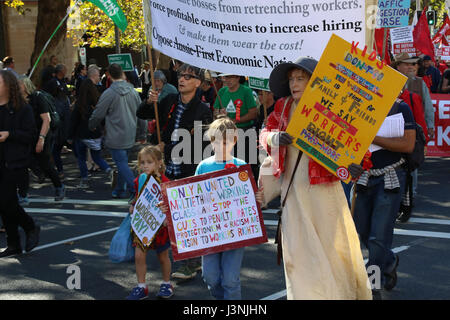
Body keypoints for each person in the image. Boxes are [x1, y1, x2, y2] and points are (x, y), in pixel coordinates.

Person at [259, 57, 372, 300]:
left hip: (324, 192)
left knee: (333, 253)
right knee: (298, 255)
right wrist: (273, 138)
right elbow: (264, 133)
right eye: (291, 79)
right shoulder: (283, 106)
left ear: (315, 82)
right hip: (293, 190)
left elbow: (359, 150)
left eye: (300, 78)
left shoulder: (333, 109)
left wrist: (356, 165)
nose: (294, 84)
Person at [159, 117, 264, 300]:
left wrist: (259, 198)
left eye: (226, 142)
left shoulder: (241, 167)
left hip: (235, 233)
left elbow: (252, 200)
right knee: (210, 277)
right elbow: (189, 197)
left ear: (234, 141)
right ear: (210, 140)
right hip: (209, 233)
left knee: (231, 280)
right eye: (216, 141)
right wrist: (170, 205)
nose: (221, 146)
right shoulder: (203, 166)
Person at [137, 63, 213, 280]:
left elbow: (199, 145)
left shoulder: (203, 110)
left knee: (188, 217)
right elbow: (142, 113)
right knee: (174, 218)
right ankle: (187, 259)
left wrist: (168, 148)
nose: (183, 79)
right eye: (181, 75)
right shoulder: (170, 101)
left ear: (198, 83)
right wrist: (149, 101)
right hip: (168, 169)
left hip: (188, 169)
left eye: (189, 77)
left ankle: (192, 263)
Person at [352, 95, 416, 297]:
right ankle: (388, 261)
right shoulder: (354, 104)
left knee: (378, 236)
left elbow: (408, 145)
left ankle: (373, 285)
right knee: (361, 230)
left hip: (391, 175)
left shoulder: (400, 107)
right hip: (362, 176)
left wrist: (372, 137)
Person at [0, 70, 40, 258]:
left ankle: (29, 225)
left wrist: (10, 134)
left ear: (8, 85)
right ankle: (13, 243)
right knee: (4, 204)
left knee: (6, 201)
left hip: (13, 162)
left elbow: (30, 135)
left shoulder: (22, 108)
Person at [127, 145, 173, 300]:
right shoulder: (140, 180)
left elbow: (171, 205)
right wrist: (133, 205)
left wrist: (167, 216)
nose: (145, 165)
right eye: (142, 162)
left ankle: (167, 283)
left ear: (159, 163)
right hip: (143, 225)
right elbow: (137, 196)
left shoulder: (165, 183)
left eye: (149, 162)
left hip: (160, 227)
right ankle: (141, 286)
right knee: (139, 256)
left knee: (163, 257)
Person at [89, 63, 141, 200]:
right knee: (123, 162)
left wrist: (91, 125)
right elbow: (141, 114)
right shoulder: (133, 91)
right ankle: (120, 189)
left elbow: (98, 113)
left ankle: (135, 189)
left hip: (115, 134)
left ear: (109, 75)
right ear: (122, 73)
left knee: (121, 164)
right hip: (130, 132)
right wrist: (142, 132)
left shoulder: (109, 93)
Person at [18, 76, 65, 201]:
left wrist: (41, 139)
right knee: (23, 163)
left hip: (42, 134)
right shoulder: (18, 101)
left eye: (19, 84)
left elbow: (46, 120)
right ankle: (23, 194)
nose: (17, 87)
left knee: (46, 165)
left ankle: (59, 186)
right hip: (27, 136)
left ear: (26, 85)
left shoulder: (37, 98)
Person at [69, 65, 111, 188]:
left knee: (81, 158)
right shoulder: (97, 102)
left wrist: (70, 136)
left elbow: (73, 122)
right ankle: (109, 171)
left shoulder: (79, 105)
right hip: (95, 133)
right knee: (97, 157)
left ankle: (85, 179)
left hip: (81, 134)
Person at [42, 64, 72, 178]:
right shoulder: (52, 83)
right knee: (53, 147)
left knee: (56, 147)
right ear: (61, 71)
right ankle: (55, 170)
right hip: (56, 121)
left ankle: (56, 169)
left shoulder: (63, 83)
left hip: (62, 121)